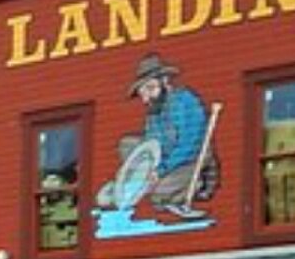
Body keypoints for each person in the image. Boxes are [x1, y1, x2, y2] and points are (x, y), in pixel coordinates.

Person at [94, 53, 219, 220]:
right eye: (142, 92)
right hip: (165, 161)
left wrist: (160, 170)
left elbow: (188, 146)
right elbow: (151, 143)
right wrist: (148, 168)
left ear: (165, 81)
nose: (146, 98)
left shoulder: (185, 102)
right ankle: (133, 185)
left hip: (192, 161)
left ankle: (197, 185)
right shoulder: (154, 111)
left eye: (150, 88)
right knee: (127, 144)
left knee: (158, 196)